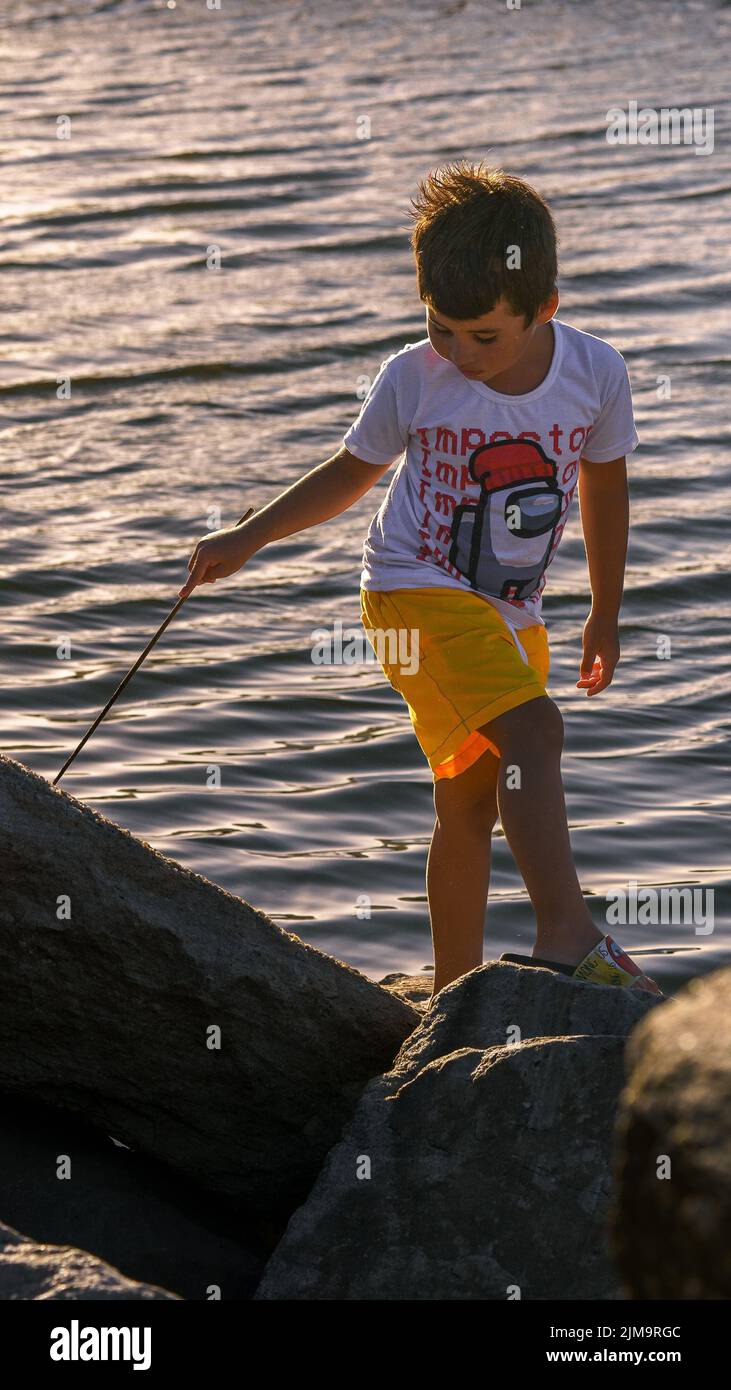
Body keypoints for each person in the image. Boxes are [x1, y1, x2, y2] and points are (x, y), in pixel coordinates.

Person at [178, 158, 662, 1006]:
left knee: (471, 796)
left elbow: (604, 491)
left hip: (512, 608)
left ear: (542, 308)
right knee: (536, 735)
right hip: (409, 592)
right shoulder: (414, 376)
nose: (458, 352)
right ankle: (567, 934)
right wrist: (248, 535)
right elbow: (349, 472)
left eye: (483, 336)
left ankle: (452, 991)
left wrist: (605, 613)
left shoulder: (596, 374)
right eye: (440, 327)